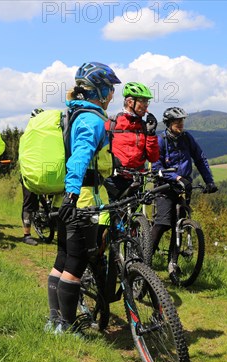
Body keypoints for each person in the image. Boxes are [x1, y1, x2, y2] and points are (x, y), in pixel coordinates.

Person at [47, 61, 120, 335]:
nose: (113, 94)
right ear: (99, 90)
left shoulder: (73, 114)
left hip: (68, 199)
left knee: (62, 259)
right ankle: (66, 327)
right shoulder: (92, 119)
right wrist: (73, 193)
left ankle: (54, 321)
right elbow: (79, 157)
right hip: (83, 200)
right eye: (110, 89)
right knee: (75, 264)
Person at [150, 106, 218, 280]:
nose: (180, 124)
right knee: (163, 223)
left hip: (184, 186)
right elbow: (156, 167)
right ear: (168, 123)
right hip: (165, 186)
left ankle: (172, 263)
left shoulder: (187, 138)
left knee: (178, 225)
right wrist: (175, 177)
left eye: (182, 121)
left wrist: (209, 181)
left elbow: (200, 159)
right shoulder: (161, 141)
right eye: (176, 121)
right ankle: (146, 258)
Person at [103, 82, 159, 200]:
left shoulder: (144, 127)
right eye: (142, 101)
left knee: (133, 216)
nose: (145, 106)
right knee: (112, 216)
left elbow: (153, 158)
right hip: (113, 180)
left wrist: (151, 134)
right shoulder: (112, 123)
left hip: (136, 181)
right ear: (130, 102)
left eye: (146, 102)